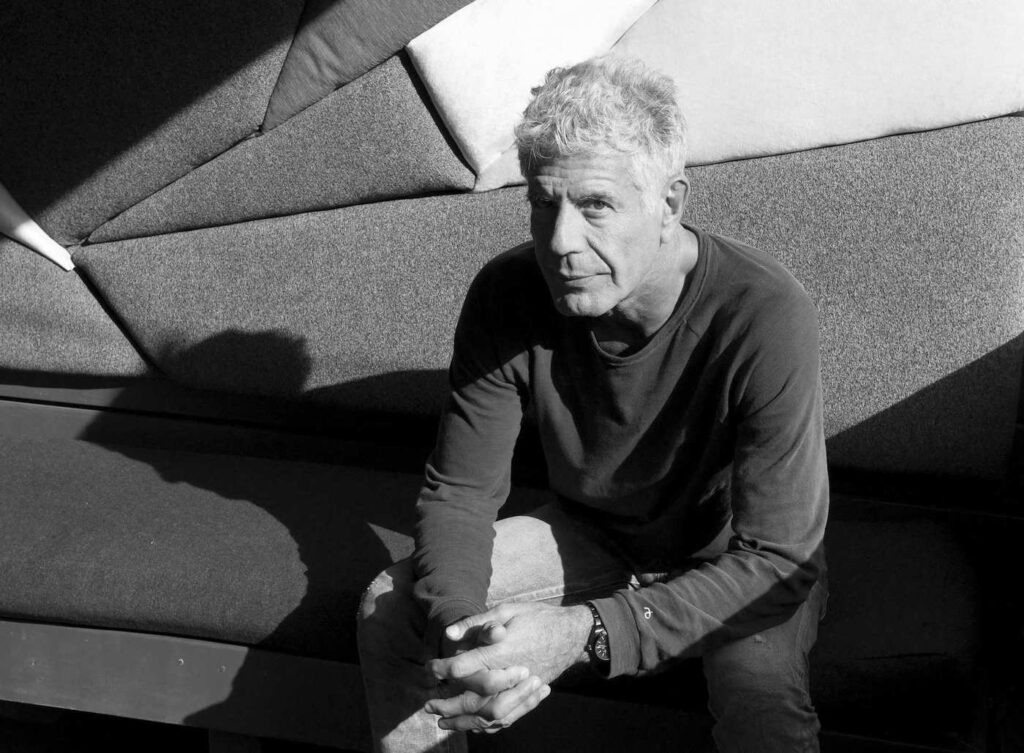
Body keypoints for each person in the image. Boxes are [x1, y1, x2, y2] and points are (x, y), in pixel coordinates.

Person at [357, 53, 829, 753]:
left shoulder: (762, 311)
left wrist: (586, 632)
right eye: (543, 204)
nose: (560, 242)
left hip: (728, 558)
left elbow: (778, 558)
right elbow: (461, 492)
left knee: (759, 702)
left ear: (670, 204)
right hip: (595, 536)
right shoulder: (508, 292)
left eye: (596, 206)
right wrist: (465, 632)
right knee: (393, 608)